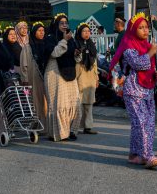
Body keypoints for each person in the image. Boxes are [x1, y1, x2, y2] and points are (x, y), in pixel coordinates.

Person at [109, 12, 157, 169]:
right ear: (133, 30)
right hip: (134, 90)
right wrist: (151, 53)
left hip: (148, 90)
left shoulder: (147, 46)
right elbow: (139, 64)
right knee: (142, 123)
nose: (145, 30)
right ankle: (148, 156)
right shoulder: (129, 47)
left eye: (146, 27)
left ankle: (134, 154)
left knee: (146, 123)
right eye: (141, 27)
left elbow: (151, 68)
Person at [44, 14, 82, 142]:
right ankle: (60, 132)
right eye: (61, 23)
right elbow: (54, 53)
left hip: (69, 71)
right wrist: (64, 40)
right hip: (55, 73)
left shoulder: (71, 39)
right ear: (56, 25)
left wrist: (77, 54)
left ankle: (72, 131)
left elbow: (77, 58)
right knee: (59, 103)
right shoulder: (50, 38)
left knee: (74, 102)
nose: (65, 25)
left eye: (66, 23)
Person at [18, 21, 48, 135]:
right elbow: (24, 66)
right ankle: (36, 125)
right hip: (33, 77)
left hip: (45, 76)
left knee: (45, 102)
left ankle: (46, 126)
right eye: (39, 31)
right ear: (34, 32)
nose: (42, 33)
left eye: (43, 30)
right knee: (36, 102)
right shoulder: (28, 47)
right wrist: (25, 79)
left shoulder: (46, 45)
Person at [75, 23, 98, 135]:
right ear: (80, 33)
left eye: (88, 31)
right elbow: (75, 60)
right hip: (80, 75)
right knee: (78, 102)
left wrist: (97, 77)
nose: (87, 33)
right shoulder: (76, 44)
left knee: (89, 102)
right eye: (84, 31)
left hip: (90, 76)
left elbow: (95, 62)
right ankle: (75, 126)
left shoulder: (91, 45)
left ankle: (88, 126)